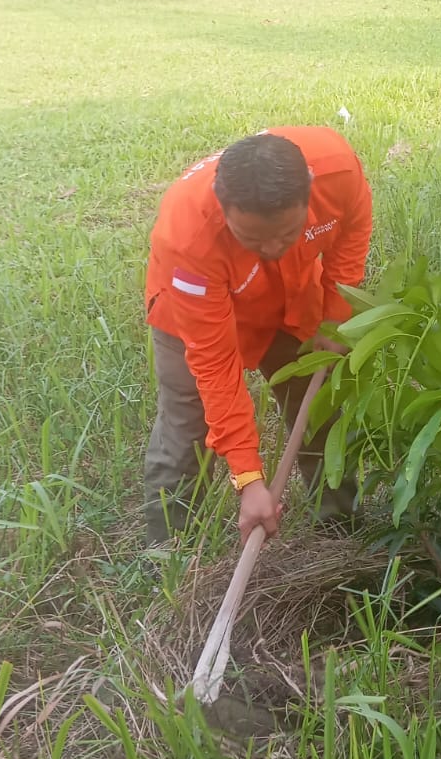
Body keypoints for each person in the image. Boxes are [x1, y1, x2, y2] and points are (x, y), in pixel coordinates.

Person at [144, 126, 372, 549]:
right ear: (223, 206)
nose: (272, 248)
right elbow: (214, 364)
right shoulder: (187, 236)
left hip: (292, 299)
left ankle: (340, 532)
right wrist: (249, 479)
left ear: (309, 194)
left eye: (287, 235)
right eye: (252, 238)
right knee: (186, 430)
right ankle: (170, 557)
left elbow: (350, 244)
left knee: (319, 406)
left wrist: (336, 321)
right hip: (194, 315)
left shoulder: (337, 170)